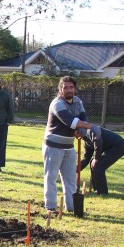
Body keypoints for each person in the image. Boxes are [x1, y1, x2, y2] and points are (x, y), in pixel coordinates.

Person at [43, 76, 92, 212]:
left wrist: (82, 130)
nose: (69, 90)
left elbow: (83, 117)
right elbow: (70, 122)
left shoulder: (77, 101)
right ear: (60, 89)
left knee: (70, 178)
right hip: (53, 146)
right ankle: (51, 206)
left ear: (75, 89)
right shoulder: (57, 104)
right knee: (51, 177)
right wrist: (91, 126)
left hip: (69, 146)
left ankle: (71, 207)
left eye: (71, 87)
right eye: (65, 87)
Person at [78, 124, 124, 195]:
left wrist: (96, 158)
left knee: (98, 166)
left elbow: (99, 143)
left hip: (118, 146)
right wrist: (76, 169)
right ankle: (96, 189)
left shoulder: (91, 132)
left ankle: (102, 192)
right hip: (109, 148)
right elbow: (86, 159)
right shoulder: (86, 142)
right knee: (93, 163)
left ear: (79, 132)